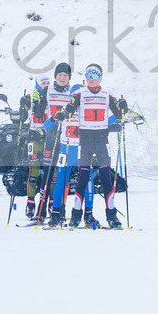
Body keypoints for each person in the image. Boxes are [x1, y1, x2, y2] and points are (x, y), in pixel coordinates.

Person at [52, 64, 129, 229]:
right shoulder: (79, 93)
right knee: (82, 179)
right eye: (88, 75)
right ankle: (75, 217)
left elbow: (118, 114)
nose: (91, 79)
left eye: (95, 75)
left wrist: (123, 106)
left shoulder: (107, 93)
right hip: (85, 142)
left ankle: (112, 217)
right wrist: (62, 114)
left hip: (102, 141)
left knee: (107, 179)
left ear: (100, 78)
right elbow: (68, 110)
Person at [34, 63, 74, 226]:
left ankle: (60, 210)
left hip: (67, 137)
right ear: (55, 76)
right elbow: (38, 113)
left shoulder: (74, 92)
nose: (62, 78)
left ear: (69, 77)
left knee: (63, 176)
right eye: (60, 75)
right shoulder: (47, 90)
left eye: (65, 75)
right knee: (48, 174)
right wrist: (37, 101)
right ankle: (41, 211)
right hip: (52, 136)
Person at [23, 74, 52, 221]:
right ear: (37, 85)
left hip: (48, 137)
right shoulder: (32, 96)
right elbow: (25, 116)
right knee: (33, 171)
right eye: (43, 83)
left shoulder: (52, 96)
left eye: (48, 82)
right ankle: (30, 203)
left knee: (49, 173)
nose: (46, 85)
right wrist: (26, 103)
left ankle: (51, 203)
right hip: (34, 137)